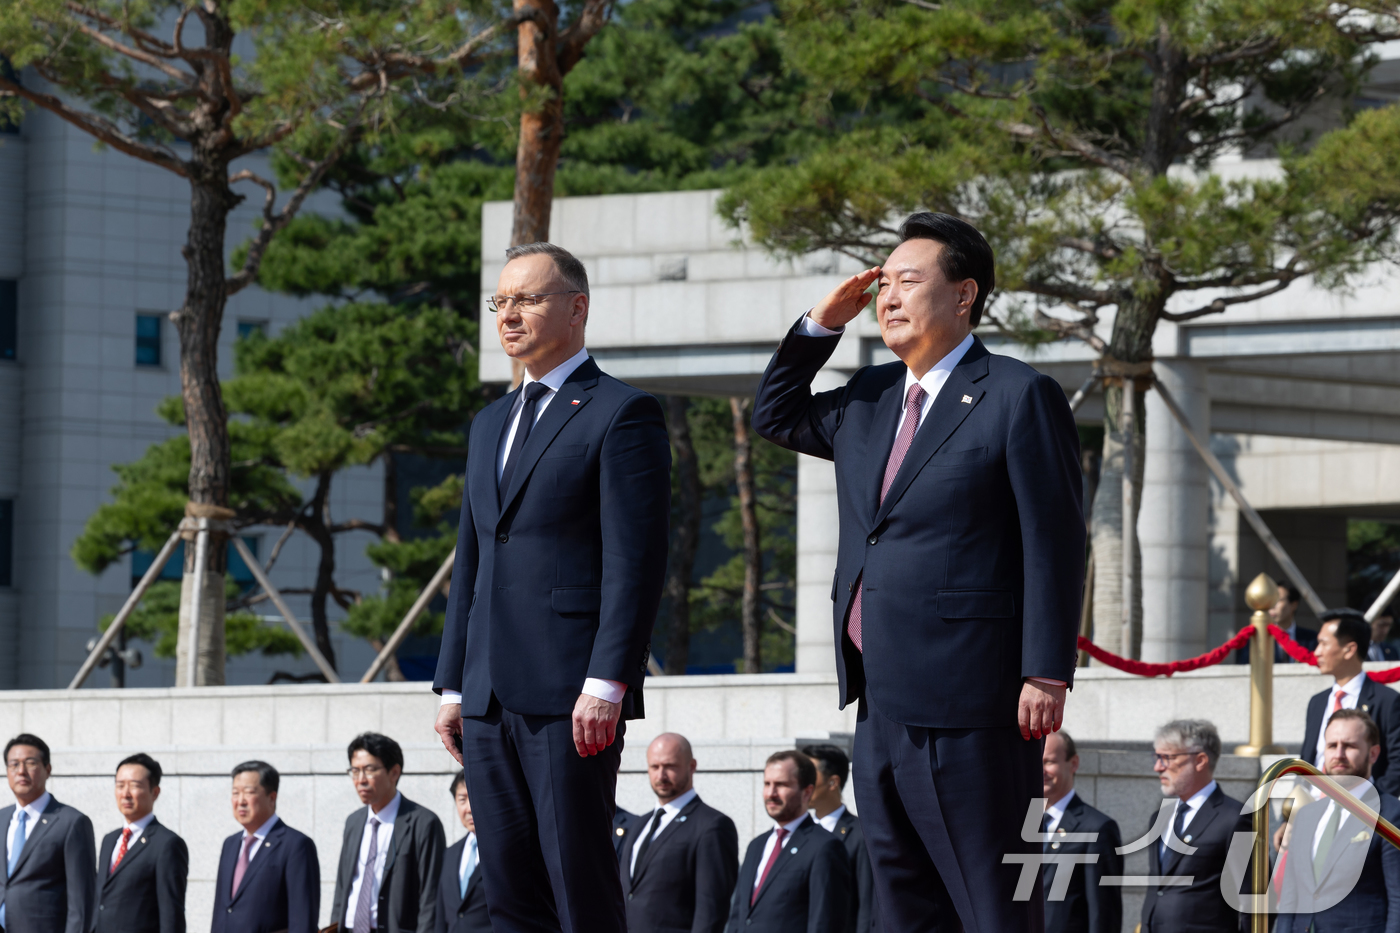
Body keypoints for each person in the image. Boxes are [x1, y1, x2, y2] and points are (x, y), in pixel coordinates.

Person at [752, 211, 1084, 932]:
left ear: (964, 295)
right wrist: (819, 324)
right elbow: (773, 414)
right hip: (881, 701)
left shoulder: (1016, 394)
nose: (888, 297)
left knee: (996, 902)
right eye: (882, 284)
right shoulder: (869, 399)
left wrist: (1046, 670)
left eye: (909, 280)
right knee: (903, 902)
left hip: (977, 700)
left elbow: (1055, 540)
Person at [432, 241, 671, 933]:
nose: (509, 315)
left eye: (527, 299)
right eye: (500, 302)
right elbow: (471, 559)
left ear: (577, 308)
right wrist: (453, 684)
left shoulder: (622, 413)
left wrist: (608, 680)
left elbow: (637, 561)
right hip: (486, 698)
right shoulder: (489, 424)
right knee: (510, 893)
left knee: (579, 882)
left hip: (571, 695)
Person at [1275, 709, 1400, 933]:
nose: (1339, 754)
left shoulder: (1391, 814)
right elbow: (1290, 897)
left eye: (1349, 746)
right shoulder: (1306, 815)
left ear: (1373, 753)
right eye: (1332, 746)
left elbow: (1398, 901)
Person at [1139, 720, 1251, 933]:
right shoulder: (1159, 818)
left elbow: (1255, 899)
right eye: (1157, 757)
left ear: (1200, 760)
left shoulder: (1235, 818)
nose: (1157, 767)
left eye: (1167, 758)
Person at [621, 733, 738, 933]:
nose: (661, 776)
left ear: (692, 766)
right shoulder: (640, 825)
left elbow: (711, 910)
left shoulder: (712, 825)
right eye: (654, 767)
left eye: (670, 766)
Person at [332, 733, 446, 933]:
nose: (360, 780)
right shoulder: (354, 822)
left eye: (369, 770)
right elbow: (343, 887)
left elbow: (431, 896)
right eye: (355, 771)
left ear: (394, 772)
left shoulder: (423, 823)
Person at [725, 751, 849, 933]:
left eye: (781, 785)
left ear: (807, 792)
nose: (771, 793)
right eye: (767, 784)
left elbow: (825, 922)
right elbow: (738, 917)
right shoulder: (756, 846)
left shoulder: (825, 847)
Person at [0, 733, 96, 933]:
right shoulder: (1, 818)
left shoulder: (72, 822)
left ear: (47, 769)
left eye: (30, 763)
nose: (21, 771)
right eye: (14, 764)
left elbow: (82, 903)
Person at [211, 760, 320, 933]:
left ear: (272, 797)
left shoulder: (295, 845)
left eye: (249, 793)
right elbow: (222, 911)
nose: (240, 801)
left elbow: (302, 919)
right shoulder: (230, 844)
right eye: (235, 793)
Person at [1300, 610, 1400, 797]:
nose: (1317, 652)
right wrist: (1290, 816)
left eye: (1323, 643)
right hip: (1312, 808)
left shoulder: (1387, 700)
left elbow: (1397, 765)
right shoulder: (1317, 702)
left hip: (1361, 812)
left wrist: (1367, 804)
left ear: (1349, 649)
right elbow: (1307, 761)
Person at [94, 753, 188, 933]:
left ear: (155, 792)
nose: (125, 794)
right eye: (120, 786)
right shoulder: (110, 839)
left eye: (135, 786)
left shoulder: (167, 844)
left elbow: (171, 913)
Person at [1039, 732, 1121, 933]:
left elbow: (1103, 913)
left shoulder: (1097, 828)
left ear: (1073, 763)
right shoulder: (1019, 823)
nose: (1040, 770)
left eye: (1049, 762)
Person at [800, 744, 874, 933]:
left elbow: (866, 905)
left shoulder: (860, 835)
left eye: (809, 775)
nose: (801, 784)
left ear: (832, 783)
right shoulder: (799, 833)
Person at [436, 774, 491, 933]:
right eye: (462, 799)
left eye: (474, 797)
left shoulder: (504, 852)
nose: (469, 808)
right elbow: (441, 912)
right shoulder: (450, 853)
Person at [1235, 582, 1317, 664]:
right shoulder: (1254, 639)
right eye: (1271, 601)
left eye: (1278, 600)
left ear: (1294, 605)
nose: (1272, 606)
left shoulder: (1312, 639)